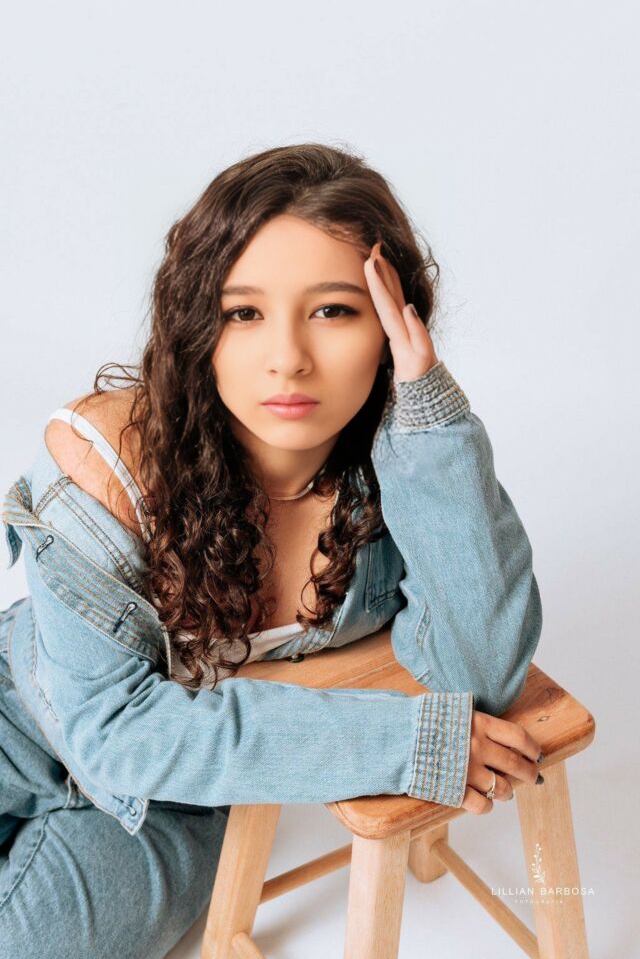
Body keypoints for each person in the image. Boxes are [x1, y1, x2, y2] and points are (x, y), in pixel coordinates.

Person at [0, 143, 544, 958]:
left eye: (334, 311)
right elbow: (112, 728)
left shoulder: (401, 475)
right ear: (198, 326)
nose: (288, 356)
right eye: (243, 313)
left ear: (393, 325)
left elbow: (481, 677)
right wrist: (404, 745)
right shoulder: (111, 458)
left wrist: (431, 417)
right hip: (22, 711)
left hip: (170, 805)